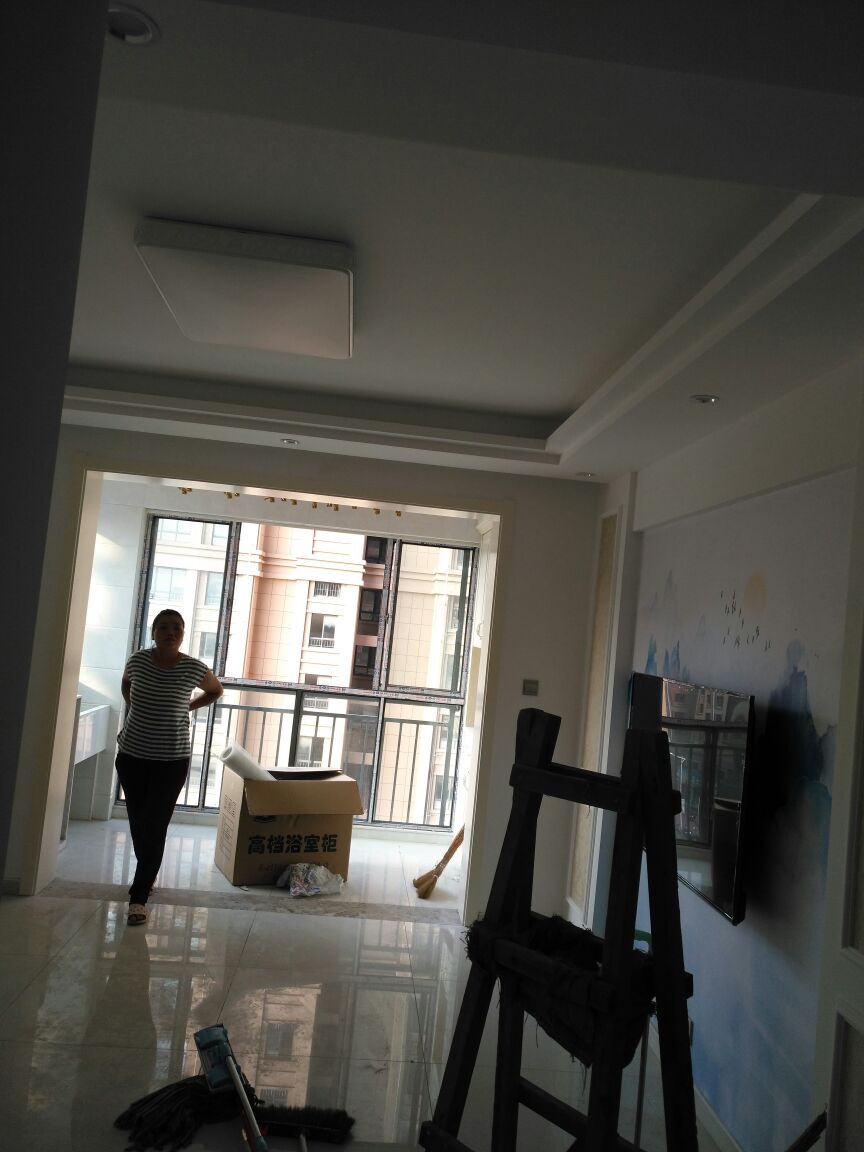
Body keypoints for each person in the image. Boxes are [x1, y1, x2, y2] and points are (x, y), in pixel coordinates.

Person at [115, 608, 223, 926]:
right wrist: (135, 704)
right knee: (138, 821)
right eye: (163, 627)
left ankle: (138, 897)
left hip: (171, 760)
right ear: (153, 632)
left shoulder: (193, 667)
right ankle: (147, 874)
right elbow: (126, 684)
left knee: (156, 824)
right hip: (132, 755)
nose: (170, 632)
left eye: (177, 627)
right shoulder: (137, 661)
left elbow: (215, 691)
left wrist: (188, 705)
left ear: (183, 634)